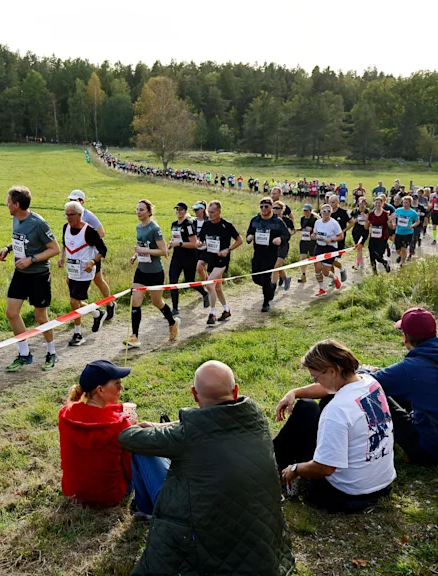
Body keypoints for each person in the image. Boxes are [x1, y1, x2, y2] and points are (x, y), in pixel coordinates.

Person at [119, 361, 295, 575]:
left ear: (194, 394)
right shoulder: (255, 418)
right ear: (236, 390)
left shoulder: (186, 435)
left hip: (203, 537)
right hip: (262, 545)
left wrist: (156, 425)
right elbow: (212, 425)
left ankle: (144, 509)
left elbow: (129, 438)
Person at [274, 340, 396, 513]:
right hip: (382, 484)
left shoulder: (337, 410)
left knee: (304, 410)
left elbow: (325, 468)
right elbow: (325, 390)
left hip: (346, 494)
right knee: (307, 406)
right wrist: (294, 392)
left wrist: (295, 469)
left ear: (333, 371)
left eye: (316, 377)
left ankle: (275, 461)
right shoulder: (370, 383)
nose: (316, 382)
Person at [58, 360, 168, 515]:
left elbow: (94, 415)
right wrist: (131, 428)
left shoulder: (65, 414)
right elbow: (131, 472)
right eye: (117, 383)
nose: (121, 387)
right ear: (100, 390)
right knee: (142, 448)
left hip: (72, 491)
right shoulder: (119, 426)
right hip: (110, 496)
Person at [371, 307, 438, 465]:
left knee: (376, 393)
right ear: (434, 333)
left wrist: (366, 371)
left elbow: (367, 383)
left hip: (433, 453)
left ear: (405, 337)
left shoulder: (411, 367)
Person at [0, 186, 61, 372]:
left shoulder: (39, 223)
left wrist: (31, 260)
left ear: (17, 204)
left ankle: (51, 352)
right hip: (21, 274)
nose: (6, 205)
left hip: (39, 276)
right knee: (11, 313)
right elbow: (22, 240)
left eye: (8, 202)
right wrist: (8, 248)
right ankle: (24, 354)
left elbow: (55, 249)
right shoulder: (16, 219)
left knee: (40, 317)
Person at [124, 200, 179, 348]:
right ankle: (134, 336)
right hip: (141, 271)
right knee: (135, 301)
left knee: (157, 302)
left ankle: (172, 323)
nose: (138, 212)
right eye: (137, 209)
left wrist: (144, 251)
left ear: (149, 212)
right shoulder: (138, 227)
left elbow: (163, 251)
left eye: (141, 209)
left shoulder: (154, 228)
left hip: (155, 272)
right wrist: (135, 256)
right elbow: (142, 246)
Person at [57, 201, 108, 346]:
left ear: (79, 215)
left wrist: (92, 262)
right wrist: (62, 258)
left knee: (73, 301)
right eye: (66, 215)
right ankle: (97, 313)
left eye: (71, 215)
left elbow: (103, 250)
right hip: (72, 271)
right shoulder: (65, 227)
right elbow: (65, 244)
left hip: (85, 273)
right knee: (77, 302)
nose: (68, 218)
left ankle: (78, 334)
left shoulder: (89, 231)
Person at [67, 190, 116, 322]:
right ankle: (89, 310)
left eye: (75, 200)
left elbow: (101, 232)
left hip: (91, 256)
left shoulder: (88, 215)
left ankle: (110, 304)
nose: (72, 202)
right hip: (76, 259)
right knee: (72, 283)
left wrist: (89, 244)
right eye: (70, 200)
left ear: (82, 201)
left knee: (98, 281)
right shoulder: (69, 215)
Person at [196, 200, 242, 325]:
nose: (210, 215)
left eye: (212, 212)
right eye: (208, 212)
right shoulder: (206, 224)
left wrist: (228, 250)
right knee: (218, 288)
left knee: (210, 285)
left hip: (222, 260)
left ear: (219, 212)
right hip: (212, 259)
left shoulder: (226, 225)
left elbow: (239, 240)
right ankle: (226, 310)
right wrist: (199, 242)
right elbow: (200, 237)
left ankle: (212, 313)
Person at [246, 197, 291, 312]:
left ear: (271, 207)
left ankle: (266, 302)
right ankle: (271, 288)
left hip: (271, 253)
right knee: (256, 278)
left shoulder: (278, 221)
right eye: (261, 206)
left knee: (265, 277)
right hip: (258, 253)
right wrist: (249, 237)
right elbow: (249, 232)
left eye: (266, 206)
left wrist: (280, 239)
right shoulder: (255, 220)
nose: (263, 209)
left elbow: (287, 235)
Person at [167, 202, 209, 316]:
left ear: (185, 211)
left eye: (180, 210)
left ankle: (204, 293)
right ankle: (175, 308)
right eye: (176, 209)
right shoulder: (174, 224)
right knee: (172, 280)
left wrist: (179, 243)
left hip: (189, 256)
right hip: (177, 256)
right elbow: (174, 237)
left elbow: (194, 244)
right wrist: (169, 246)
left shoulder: (188, 224)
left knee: (189, 280)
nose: (178, 212)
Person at [310, 204, 343, 297]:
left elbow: (341, 236)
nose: (326, 213)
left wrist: (331, 240)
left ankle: (334, 278)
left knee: (325, 271)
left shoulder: (334, 223)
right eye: (324, 211)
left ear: (331, 212)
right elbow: (314, 233)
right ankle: (321, 288)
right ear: (321, 212)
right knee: (317, 268)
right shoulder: (317, 222)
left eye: (328, 211)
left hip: (330, 248)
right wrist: (313, 236)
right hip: (319, 246)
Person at [272, 200, 295, 291]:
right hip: (274, 246)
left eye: (277, 208)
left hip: (284, 245)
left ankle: (272, 287)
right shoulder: (271, 220)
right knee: (276, 266)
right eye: (273, 208)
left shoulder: (286, 220)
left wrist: (288, 233)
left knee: (276, 266)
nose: (274, 210)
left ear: (282, 209)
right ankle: (286, 279)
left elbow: (293, 230)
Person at [191, 201, 211, 307]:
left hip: (207, 249)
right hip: (196, 249)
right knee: (201, 269)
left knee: (200, 267)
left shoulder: (209, 221)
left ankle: (204, 288)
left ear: (203, 209)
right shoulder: (192, 222)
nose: (195, 211)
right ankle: (207, 286)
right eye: (194, 210)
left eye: (197, 209)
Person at [366, 196, 392, 274]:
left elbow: (390, 226)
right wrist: (366, 221)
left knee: (378, 255)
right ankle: (374, 272)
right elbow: (367, 226)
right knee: (371, 254)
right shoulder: (371, 214)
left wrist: (390, 221)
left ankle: (384, 262)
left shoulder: (385, 214)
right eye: (376, 203)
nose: (377, 204)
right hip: (373, 237)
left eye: (379, 203)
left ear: (383, 203)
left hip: (382, 237)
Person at [328, 195, 351, 283]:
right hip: (329, 239)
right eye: (330, 202)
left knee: (333, 260)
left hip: (339, 239)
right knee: (329, 260)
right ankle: (334, 279)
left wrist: (344, 230)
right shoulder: (328, 213)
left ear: (337, 202)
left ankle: (342, 268)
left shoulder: (343, 212)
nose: (331, 204)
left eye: (333, 202)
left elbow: (351, 222)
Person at [392, 196, 420, 267]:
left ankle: (402, 263)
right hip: (398, 232)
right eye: (404, 202)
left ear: (410, 203)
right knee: (398, 250)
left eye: (406, 203)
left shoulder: (413, 212)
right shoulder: (398, 210)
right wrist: (394, 224)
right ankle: (402, 256)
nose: (405, 204)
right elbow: (393, 218)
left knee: (404, 248)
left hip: (408, 233)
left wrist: (412, 225)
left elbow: (417, 221)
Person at [297, 204, 317, 283]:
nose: (305, 212)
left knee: (314, 258)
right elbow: (303, 227)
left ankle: (318, 273)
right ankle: (303, 275)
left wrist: (312, 230)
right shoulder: (302, 219)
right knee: (302, 257)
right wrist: (297, 230)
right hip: (304, 240)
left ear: (310, 211)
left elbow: (318, 229)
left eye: (306, 210)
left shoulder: (314, 219)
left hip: (312, 242)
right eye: (304, 210)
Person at [350, 198, 369, 270]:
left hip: (364, 231)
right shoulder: (354, 211)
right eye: (361, 204)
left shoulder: (368, 211)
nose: (362, 205)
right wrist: (354, 221)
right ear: (358, 203)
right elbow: (350, 220)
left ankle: (357, 264)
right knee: (358, 248)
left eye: (363, 204)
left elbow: (371, 222)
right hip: (356, 231)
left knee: (359, 247)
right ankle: (362, 262)